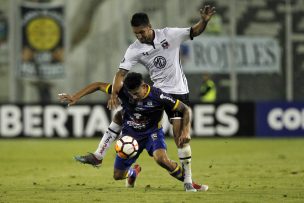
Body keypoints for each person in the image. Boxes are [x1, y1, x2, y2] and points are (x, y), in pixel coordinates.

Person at [74, 4, 215, 192]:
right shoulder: (134, 49)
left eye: (141, 32)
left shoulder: (170, 35)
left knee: (180, 138)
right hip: (155, 92)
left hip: (178, 91)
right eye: (136, 33)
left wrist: (203, 21)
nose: (139, 36)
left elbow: (194, 31)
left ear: (149, 26)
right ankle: (101, 155)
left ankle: (188, 181)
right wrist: (115, 94)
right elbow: (120, 74)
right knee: (123, 115)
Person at [59, 72, 208, 192]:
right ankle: (132, 172)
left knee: (161, 159)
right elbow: (98, 85)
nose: (134, 97)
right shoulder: (124, 91)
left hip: (152, 134)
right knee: (118, 176)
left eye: (136, 93)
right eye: (131, 94)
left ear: (144, 86)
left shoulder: (158, 96)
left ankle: (190, 182)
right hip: (129, 136)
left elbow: (185, 109)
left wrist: (186, 130)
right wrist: (75, 97)